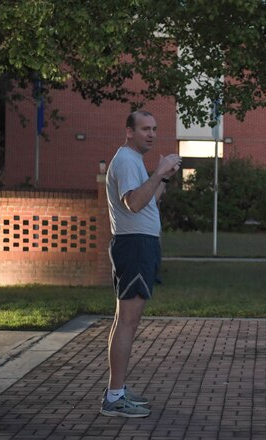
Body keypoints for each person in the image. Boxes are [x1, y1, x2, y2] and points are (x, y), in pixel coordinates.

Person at [102, 110, 182, 417]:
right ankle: (113, 397)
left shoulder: (134, 161)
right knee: (127, 322)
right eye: (144, 129)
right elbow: (133, 203)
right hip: (134, 245)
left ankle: (116, 390)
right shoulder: (124, 160)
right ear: (129, 132)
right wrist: (158, 172)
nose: (151, 134)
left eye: (154, 128)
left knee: (123, 320)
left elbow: (147, 200)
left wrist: (163, 178)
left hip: (140, 244)